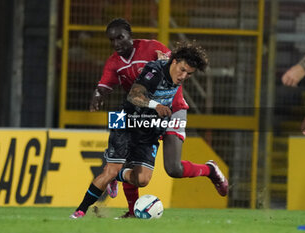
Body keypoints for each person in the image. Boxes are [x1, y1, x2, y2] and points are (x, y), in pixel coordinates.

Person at [86, 18, 228, 218]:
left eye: (120, 37)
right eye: (112, 40)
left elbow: (174, 63)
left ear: (130, 36)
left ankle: (210, 170)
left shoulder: (152, 48)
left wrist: (166, 60)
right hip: (143, 114)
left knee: (174, 168)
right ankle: (133, 210)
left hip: (173, 110)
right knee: (131, 163)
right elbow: (104, 86)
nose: (116, 43)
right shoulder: (113, 63)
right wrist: (98, 95)